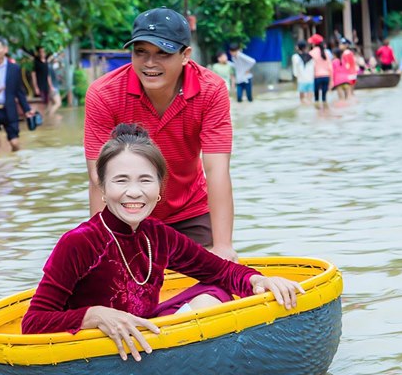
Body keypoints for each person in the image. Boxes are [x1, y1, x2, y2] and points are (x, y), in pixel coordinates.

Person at [21, 123, 303, 359]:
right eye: (121, 181)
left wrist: (259, 281)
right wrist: (94, 315)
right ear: (103, 190)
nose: (134, 192)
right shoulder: (80, 242)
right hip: (93, 349)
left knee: (214, 293)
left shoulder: (158, 235)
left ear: (159, 190)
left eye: (145, 180)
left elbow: (221, 270)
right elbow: (32, 323)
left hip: (146, 335)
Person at [84, 7, 238, 261]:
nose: (150, 64)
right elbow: (98, 177)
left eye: (163, 53)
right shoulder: (104, 93)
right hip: (128, 211)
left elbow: (217, 170)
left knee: (211, 287)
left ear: (185, 55)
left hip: (190, 211)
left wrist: (223, 246)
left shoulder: (211, 90)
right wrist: (105, 247)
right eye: (140, 52)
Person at [0, 36, 34, 153]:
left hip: (9, 110)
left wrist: (27, 110)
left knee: (14, 143)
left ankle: (16, 166)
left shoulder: (15, 68)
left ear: (5, 49)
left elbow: (19, 92)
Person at [31, 46, 57, 112]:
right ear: (39, 53)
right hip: (40, 85)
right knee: (41, 104)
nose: (42, 53)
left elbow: (48, 75)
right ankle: (42, 118)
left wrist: (51, 86)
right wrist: (36, 87)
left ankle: (48, 118)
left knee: (48, 102)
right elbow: (33, 75)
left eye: (44, 52)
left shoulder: (46, 62)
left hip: (46, 86)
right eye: (41, 52)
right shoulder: (36, 62)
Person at [291, 39, 315, 104]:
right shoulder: (311, 56)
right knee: (310, 100)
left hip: (301, 80)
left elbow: (295, 71)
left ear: (298, 47)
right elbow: (313, 67)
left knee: (302, 100)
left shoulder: (295, 57)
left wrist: (296, 77)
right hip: (311, 79)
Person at [311, 37, 332, 104]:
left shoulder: (311, 53)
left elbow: (311, 67)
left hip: (316, 77)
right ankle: (325, 112)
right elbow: (330, 67)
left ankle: (318, 113)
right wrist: (332, 80)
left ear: (314, 43)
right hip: (326, 76)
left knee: (316, 99)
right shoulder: (326, 53)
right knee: (324, 98)